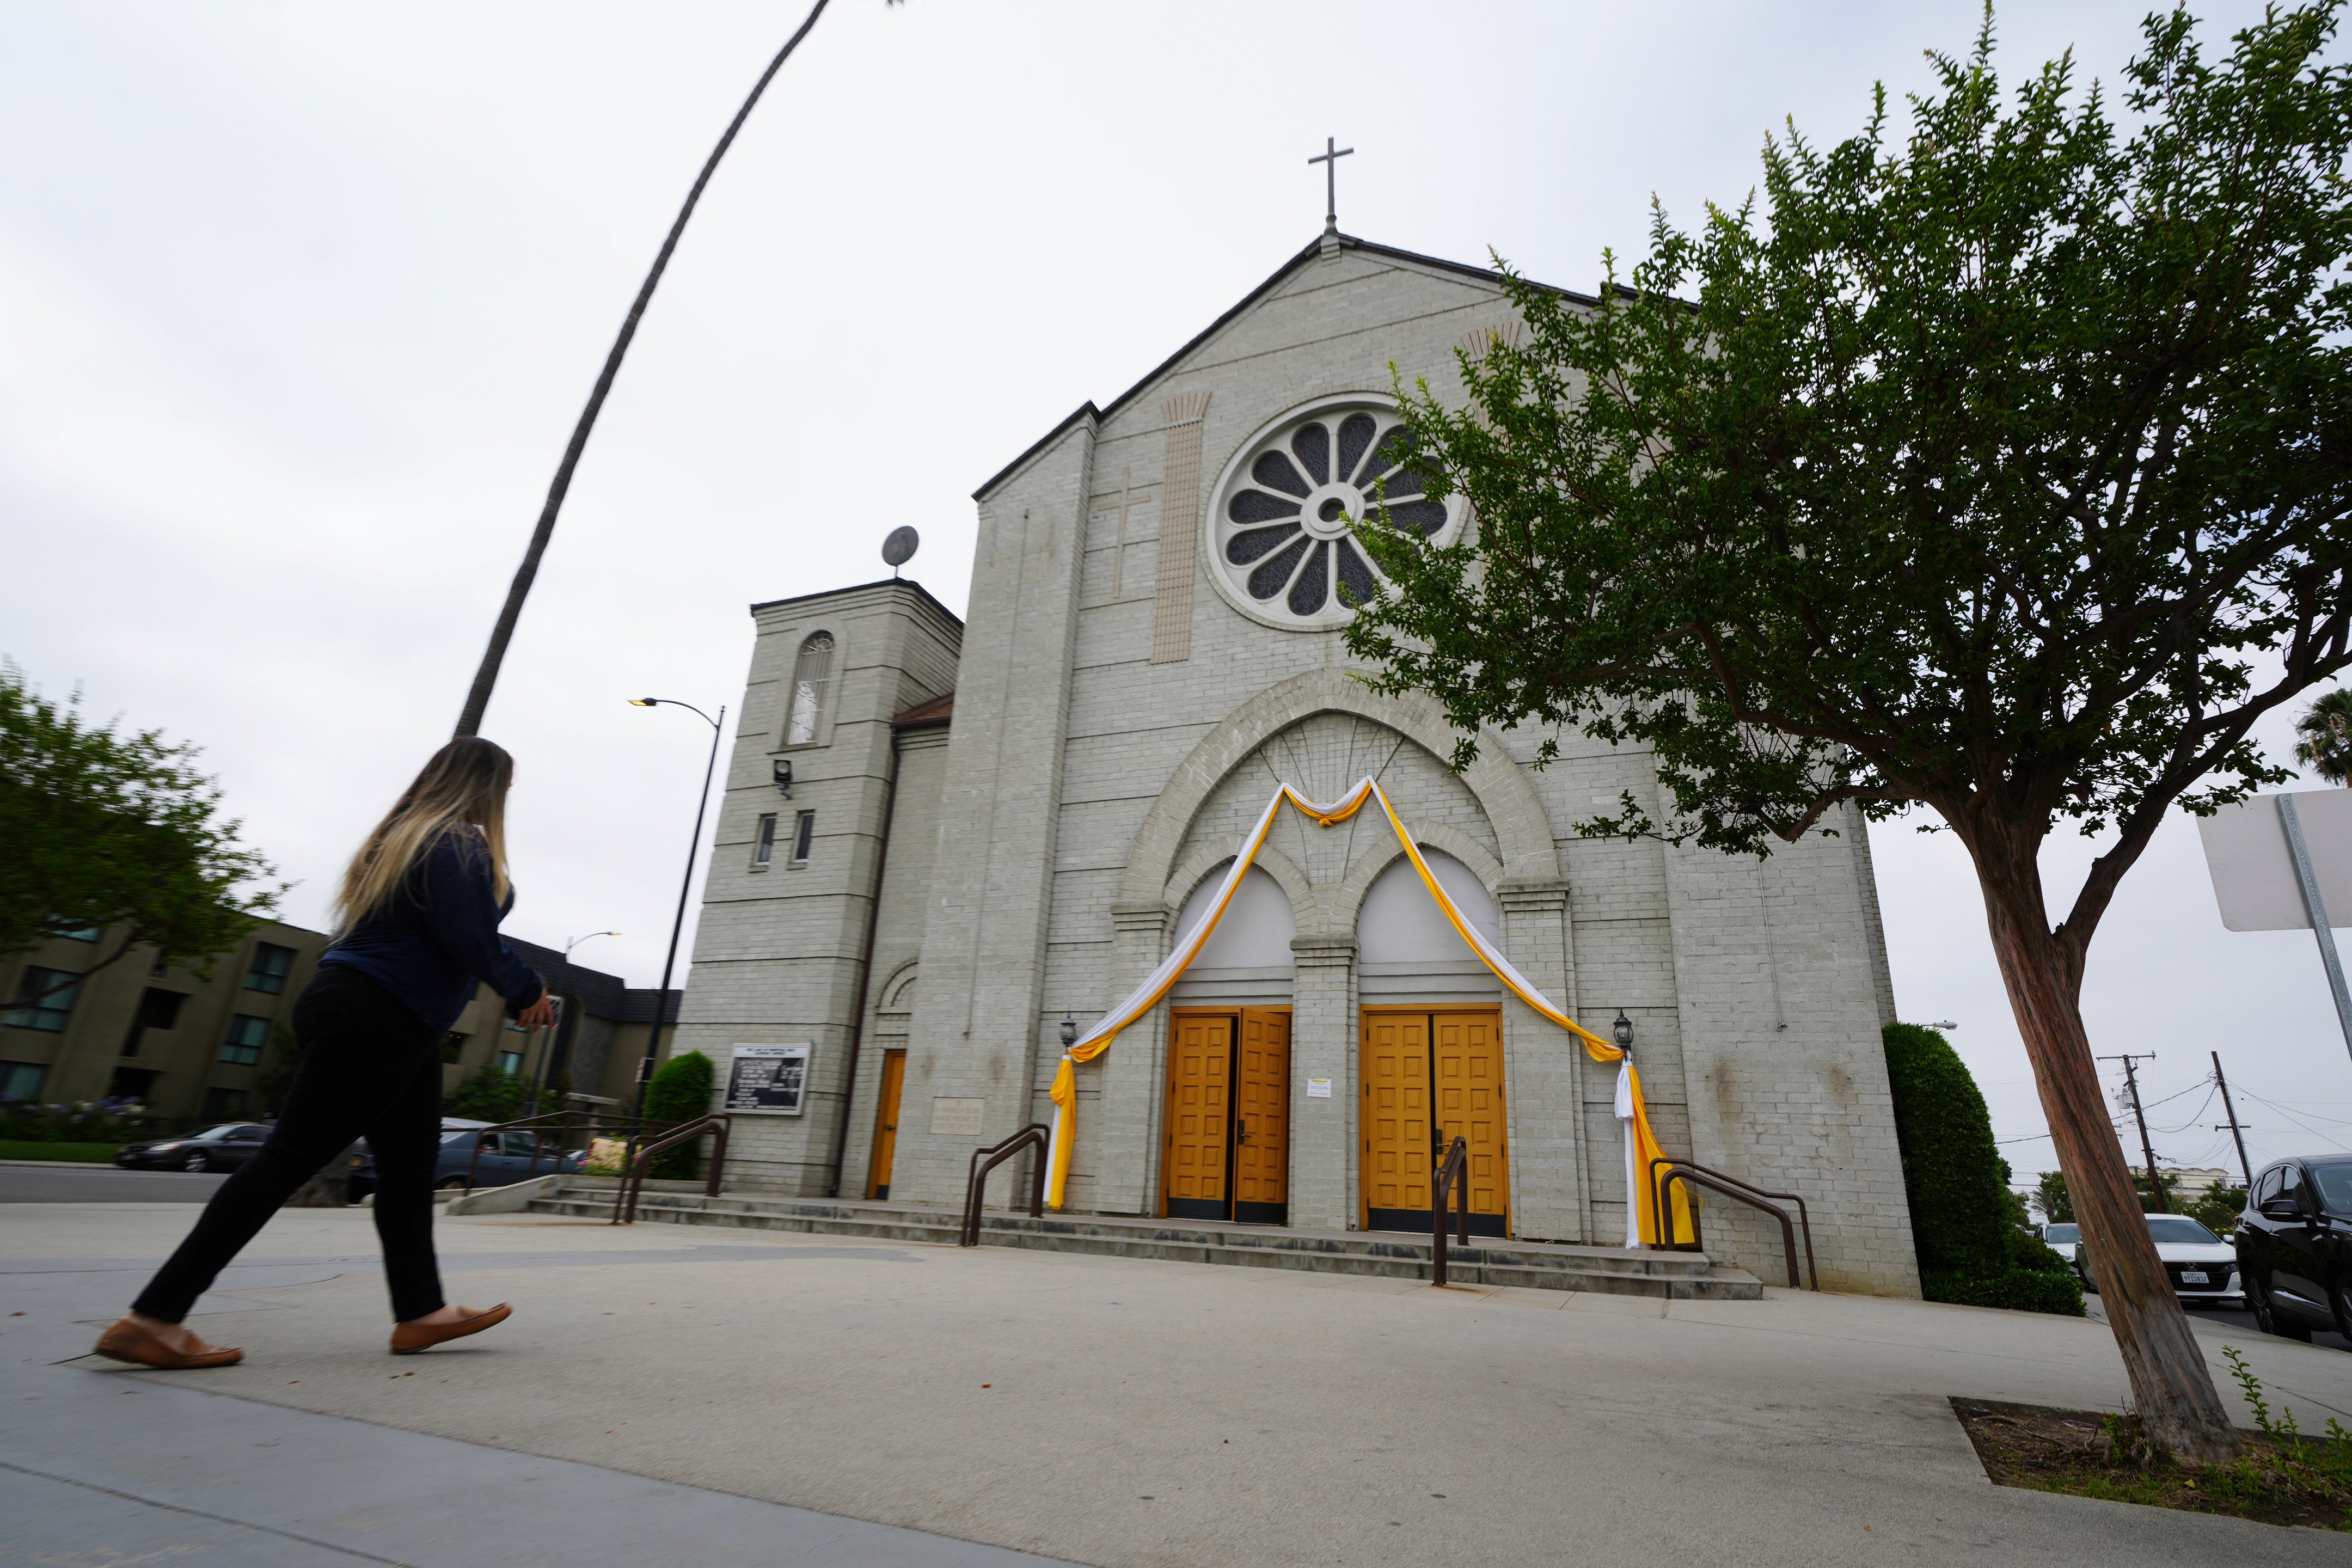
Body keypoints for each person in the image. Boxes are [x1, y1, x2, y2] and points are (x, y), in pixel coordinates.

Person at [95, 737, 553, 1368]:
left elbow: (444, 935)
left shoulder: (398, 840)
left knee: (411, 1170)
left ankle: (420, 1311)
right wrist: (527, 990)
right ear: (488, 786)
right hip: (380, 1013)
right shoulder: (454, 842)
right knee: (285, 1160)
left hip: (383, 1012)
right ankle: (155, 1316)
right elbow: (468, 934)